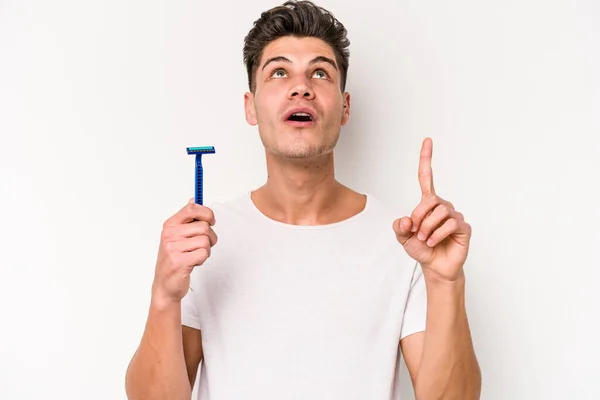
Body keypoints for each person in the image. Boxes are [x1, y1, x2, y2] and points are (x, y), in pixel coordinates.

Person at [125, 1, 481, 399]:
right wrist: (163, 297)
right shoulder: (202, 242)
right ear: (251, 106)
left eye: (320, 72)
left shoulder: (407, 243)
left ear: (344, 108)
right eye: (279, 71)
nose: (301, 86)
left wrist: (447, 281)